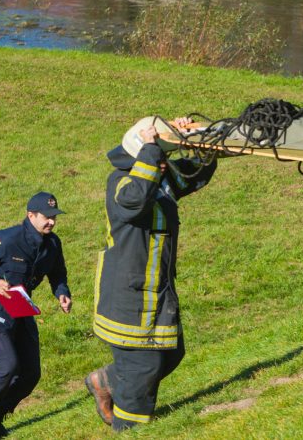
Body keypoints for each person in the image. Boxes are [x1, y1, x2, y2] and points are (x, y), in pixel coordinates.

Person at [84, 116, 217, 431]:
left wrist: (195, 138)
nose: (163, 165)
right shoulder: (120, 182)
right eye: (158, 156)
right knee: (144, 365)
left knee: (170, 353)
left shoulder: (156, 175)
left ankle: (105, 380)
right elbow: (134, 201)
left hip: (157, 290)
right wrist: (151, 151)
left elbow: (194, 175)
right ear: (141, 153)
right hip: (128, 294)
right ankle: (130, 429)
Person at [0, 192, 72, 440]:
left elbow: (58, 273)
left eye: (55, 217)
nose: (52, 222)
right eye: (47, 217)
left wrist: (62, 293)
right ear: (30, 215)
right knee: (7, 364)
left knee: (31, 373)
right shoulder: (7, 238)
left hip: (21, 308)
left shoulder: (53, 244)